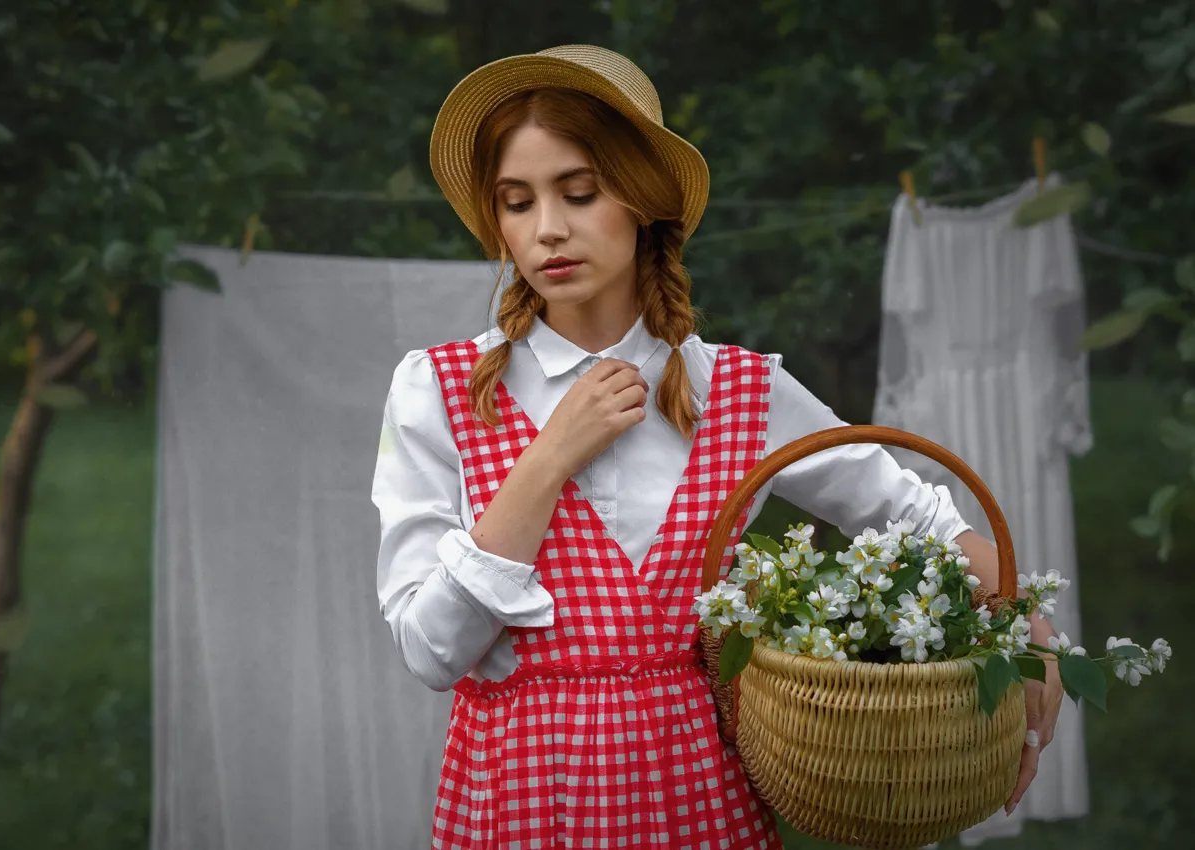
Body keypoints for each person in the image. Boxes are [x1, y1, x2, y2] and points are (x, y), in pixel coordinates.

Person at [371, 44, 1063, 849]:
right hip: (520, 800)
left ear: (641, 198)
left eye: (580, 192)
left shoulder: (739, 391)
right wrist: (548, 457)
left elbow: (910, 509)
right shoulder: (440, 389)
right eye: (517, 203)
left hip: (696, 798)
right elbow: (430, 649)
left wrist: (1033, 633)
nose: (548, 230)